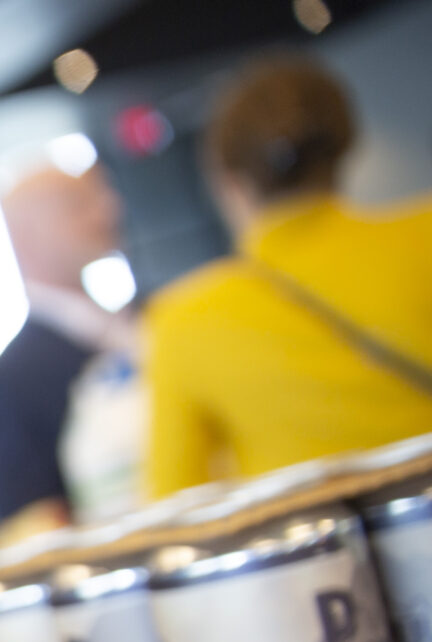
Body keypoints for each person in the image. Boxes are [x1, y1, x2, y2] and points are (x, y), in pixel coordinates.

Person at [143, 55, 432, 495]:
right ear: (343, 147)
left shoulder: (184, 319)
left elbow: (175, 504)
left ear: (229, 183)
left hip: (335, 559)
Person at [0, 162, 134, 529]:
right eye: (77, 204)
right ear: (25, 236)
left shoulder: (152, 318)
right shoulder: (5, 383)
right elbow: (32, 524)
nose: (107, 210)